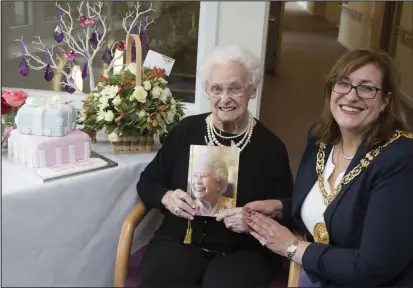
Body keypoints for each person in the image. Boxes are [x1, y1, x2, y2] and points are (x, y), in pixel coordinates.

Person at [244, 48, 413, 286]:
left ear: (385, 101)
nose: (351, 96)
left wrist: (291, 246)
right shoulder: (320, 138)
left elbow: (373, 266)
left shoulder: (401, 158)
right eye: (343, 83)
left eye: (366, 88)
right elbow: (335, 208)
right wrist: (280, 207)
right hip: (320, 273)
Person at [136, 45, 293, 288]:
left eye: (235, 88)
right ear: (207, 91)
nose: (225, 98)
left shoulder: (270, 147)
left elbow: (289, 207)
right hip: (181, 239)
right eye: (216, 89)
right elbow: (148, 182)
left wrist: (253, 220)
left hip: (244, 250)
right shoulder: (186, 131)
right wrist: (167, 197)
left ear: (251, 90)